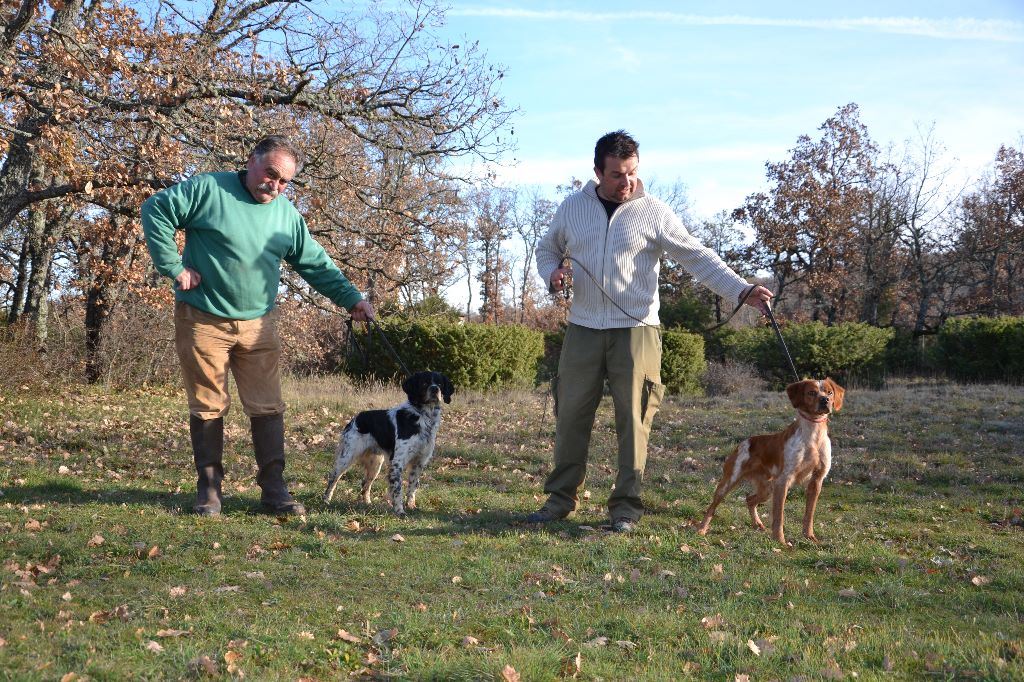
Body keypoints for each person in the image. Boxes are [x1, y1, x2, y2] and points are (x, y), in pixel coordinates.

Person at [527, 130, 773, 532]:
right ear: (597, 172)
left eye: (632, 173)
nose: (626, 183)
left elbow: (697, 256)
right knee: (570, 416)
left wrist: (740, 290)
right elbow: (546, 249)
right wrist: (551, 272)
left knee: (635, 421)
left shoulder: (654, 211)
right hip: (583, 329)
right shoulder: (572, 208)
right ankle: (559, 501)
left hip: (637, 331)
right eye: (616, 175)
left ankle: (625, 508)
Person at [142, 135, 374, 517]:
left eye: (285, 182)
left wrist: (352, 299)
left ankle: (274, 490)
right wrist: (173, 266)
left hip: (259, 323)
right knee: (208, 404)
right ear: (251, 160)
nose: (276, 185)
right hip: (203, 318)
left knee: (268, 405)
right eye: (271, 174)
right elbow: (155, 209)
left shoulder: (286, 216)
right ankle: (209, 492)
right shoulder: (208, 189)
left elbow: (315, 263)